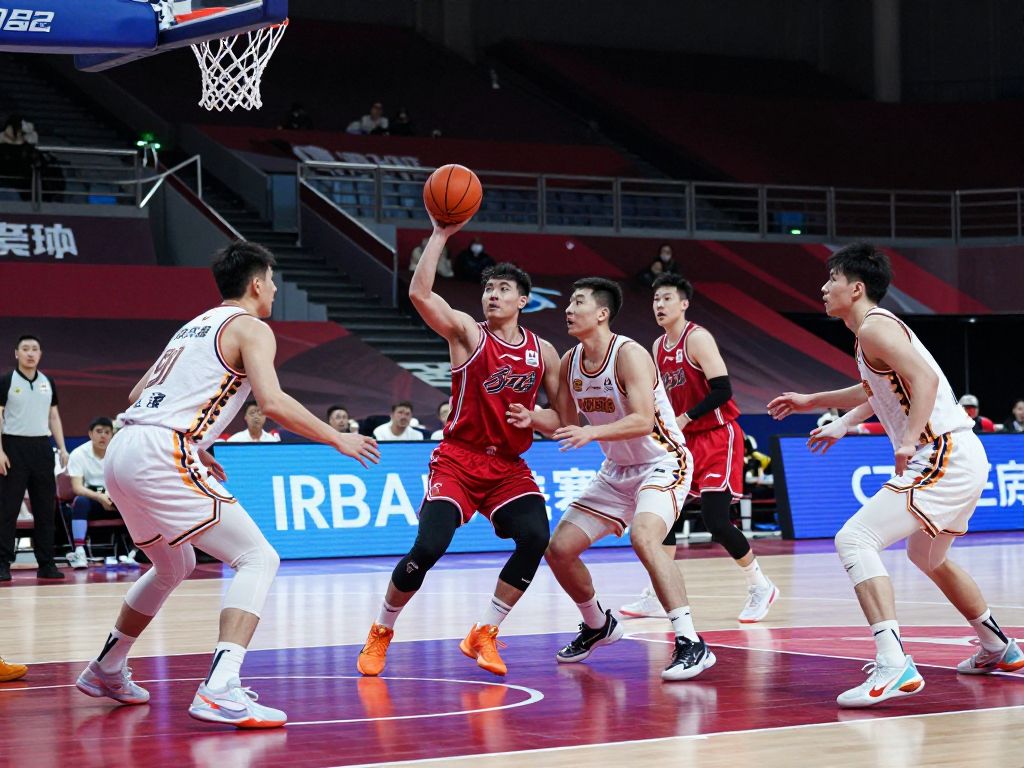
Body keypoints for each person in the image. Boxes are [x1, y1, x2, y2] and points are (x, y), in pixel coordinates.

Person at [75, 241, 380, 728]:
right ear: (257, 283)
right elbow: (273, 402)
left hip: (126, 446)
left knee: (174, 564)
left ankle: (107, 668)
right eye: (273, 280)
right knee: (259, 557)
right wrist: (336, 438)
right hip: (159, 452)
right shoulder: (251, 327)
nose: (276, 289)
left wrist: (196, 445)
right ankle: (219, 688)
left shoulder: (193, 326)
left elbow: (140, 394)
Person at [767, 243, 1022, 708]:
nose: (824, 288)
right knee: (928, 557)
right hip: (959, 453)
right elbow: (879, 389)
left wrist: (907, 441)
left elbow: (923, 381)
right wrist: (828, 411)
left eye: (832, 280)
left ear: (856, 287)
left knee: (854, 539)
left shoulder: (873, 328)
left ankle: (893, 662)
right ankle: (997, 647)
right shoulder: (873, 332)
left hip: (941, 452)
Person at [357, 216, 560, 679]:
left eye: (504, 289)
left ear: (523, 300)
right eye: (489, 288)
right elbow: (420, 296)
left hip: (508, 466)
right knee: (429, 547)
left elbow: (562, 420)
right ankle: (381, 630)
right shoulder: (468, 332)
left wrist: (536, 418)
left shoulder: (543, 352)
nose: (492, 294)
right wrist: (440, 235)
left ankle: (484, 631)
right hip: (458, 460)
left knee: (535, 538)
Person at [511, 278, 714, 681]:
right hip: (617, 472)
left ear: (601, 313)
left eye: (578, 301)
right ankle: (596, 624)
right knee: (559, 549)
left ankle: (691, 641)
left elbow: (641, 420)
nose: (568, 308)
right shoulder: (570, 361)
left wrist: (591, 432)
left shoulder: (629, 354)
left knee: (645, 537)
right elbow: (564, 422)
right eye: (569, 300)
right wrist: (533, 417)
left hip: (663, 462)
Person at [621, 275, 778, 622]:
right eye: (655, 300)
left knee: (716, 520)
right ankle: (655, 593)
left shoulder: (698, 338)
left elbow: (723, 390)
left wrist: (687, 417)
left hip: (719, 435)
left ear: (683, 304)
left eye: (666, 299)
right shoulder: (657, 348)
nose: (659, 305)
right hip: (685, 441)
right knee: (667, 518)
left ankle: (760, 585)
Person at [0, 334, 69, 581]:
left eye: (35, 349)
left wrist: (62, 448)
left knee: (43, 509)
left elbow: (54, 417)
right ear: (16, 353)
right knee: (7, 510)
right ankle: (2, 564)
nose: (30, 353)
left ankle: (47, 563)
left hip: (41, 447)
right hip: (13, 446)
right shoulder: (7, 380)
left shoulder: (47, 381)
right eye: (25, 349)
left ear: (40, 354)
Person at [66, 417, 123, 570]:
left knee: (138, 502)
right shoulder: (78, 454)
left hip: (116, 500)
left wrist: (115, 498)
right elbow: (77, 487)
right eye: (99, 432)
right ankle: (79, 551)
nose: (103, 436)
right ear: (90, 434)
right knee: (80, 501)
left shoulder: (120, 453)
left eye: (107, 432)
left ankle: (133, 551)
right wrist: (100, 497)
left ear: (112, 435)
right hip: (93, 501)